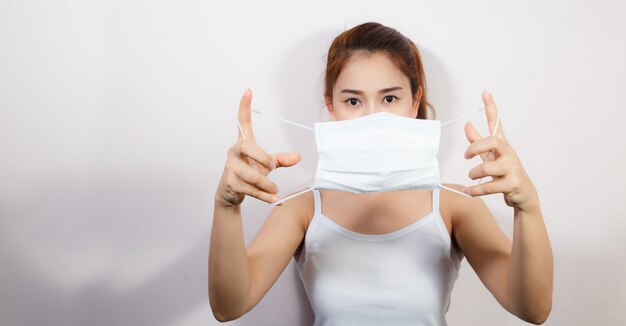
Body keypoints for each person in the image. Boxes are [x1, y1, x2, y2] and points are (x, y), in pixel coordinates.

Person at [209, 22, 553, 325]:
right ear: (331, 107)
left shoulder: (454, 204)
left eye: (389, 99)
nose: (374, 117)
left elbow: (532, 309)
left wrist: (528, 208)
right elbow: (229, 306)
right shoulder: (304, 207)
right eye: (353, 101)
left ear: (415, 101)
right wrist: (226, 206)